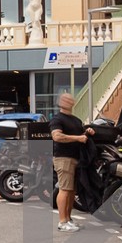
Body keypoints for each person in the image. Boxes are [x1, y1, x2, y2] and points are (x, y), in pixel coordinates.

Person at [49, 91, 88, 232]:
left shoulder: (76, 120)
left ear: (73, 102)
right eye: (64, 99)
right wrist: (78, 138)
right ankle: (62, 222)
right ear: (59, 102)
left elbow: (82, 135)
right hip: (63, 158)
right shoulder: (57, 119)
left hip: (76, 158)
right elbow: (57, 137)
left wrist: (88, 132)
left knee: (71, 191)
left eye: (69, 99)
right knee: (64, 189)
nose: (67, 101)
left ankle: (69, 219)